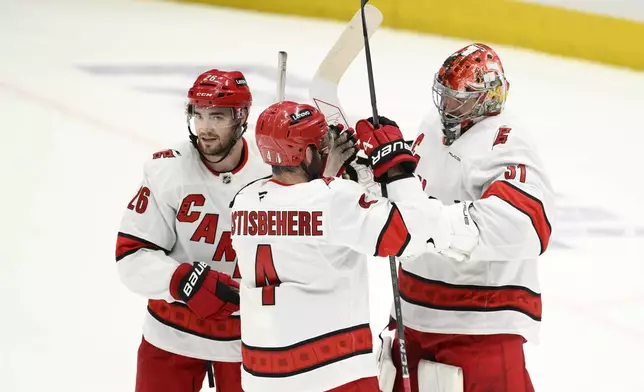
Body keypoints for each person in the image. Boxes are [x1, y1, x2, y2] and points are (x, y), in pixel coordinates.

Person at [229, 100, 479, 392]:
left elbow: (303, 219)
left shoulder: (244, 201)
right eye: (321, 142)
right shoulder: (335, 200)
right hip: (331, 372)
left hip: (263, 376)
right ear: (307, 153)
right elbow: (415, 233)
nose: (326, 146)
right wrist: (395, 168)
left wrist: (331, 174)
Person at [378, 43, 555, 392]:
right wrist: (382, 168)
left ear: (486, 100)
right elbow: (415, 189)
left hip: (478, 329)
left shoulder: (506, 142)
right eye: (443, 96)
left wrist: (424, 220)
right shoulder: (433, 125)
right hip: (410, 317)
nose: (446, 106)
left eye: (457, 99)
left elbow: (526, 226)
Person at [115, 69, 272, 392]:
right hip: (171, 336)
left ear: (241, 117)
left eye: (216, 116)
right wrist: (180, 280)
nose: (204, 128)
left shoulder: (273, 171)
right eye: (198, 114)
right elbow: (131, 256)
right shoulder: (166, 169)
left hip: (248, 342)